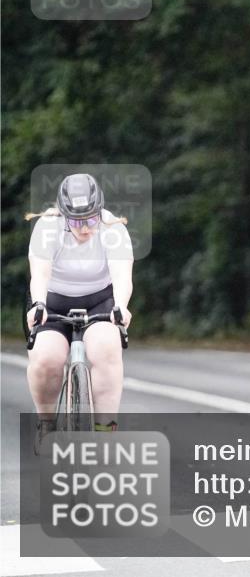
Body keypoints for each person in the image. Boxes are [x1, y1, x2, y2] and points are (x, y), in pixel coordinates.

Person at [25, 173, 134, 444]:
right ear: (63, 215)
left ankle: (105, 432)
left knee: (107, 350)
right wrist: (38, 304)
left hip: (99, 301)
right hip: (53, 302)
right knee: (46, 359)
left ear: (100, 211)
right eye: (76, 220)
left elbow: (122, 276)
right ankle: (46, 423)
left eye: (91, 219)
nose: (85, 228)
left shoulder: (113, 229)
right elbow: (39, 274)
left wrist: (121, 306)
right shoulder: (47, 228)